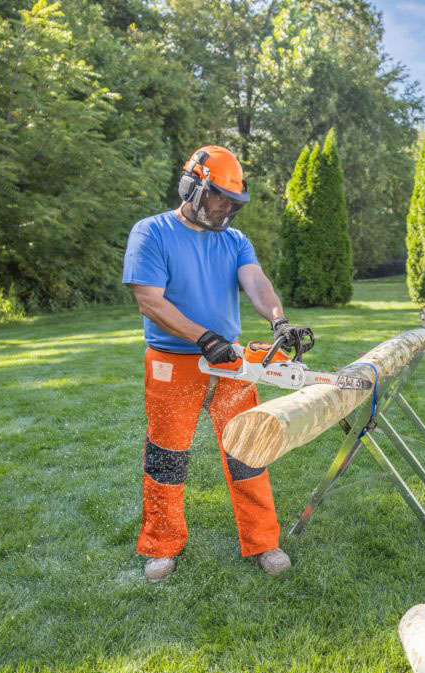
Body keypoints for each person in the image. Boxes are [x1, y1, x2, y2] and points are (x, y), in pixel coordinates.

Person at [122, 145, 305, 582]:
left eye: (231, 202)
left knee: (248, 450)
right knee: (166, 457)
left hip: (230, 364)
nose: (225, 208)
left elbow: (255, 282)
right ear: (193, 186)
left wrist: (278, 320)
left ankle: (263, 540)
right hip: (174, 364)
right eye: (218, 198)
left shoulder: (234, 240)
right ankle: (161, 545)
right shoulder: (152, 233)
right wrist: (202, 338)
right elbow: (149, 300)